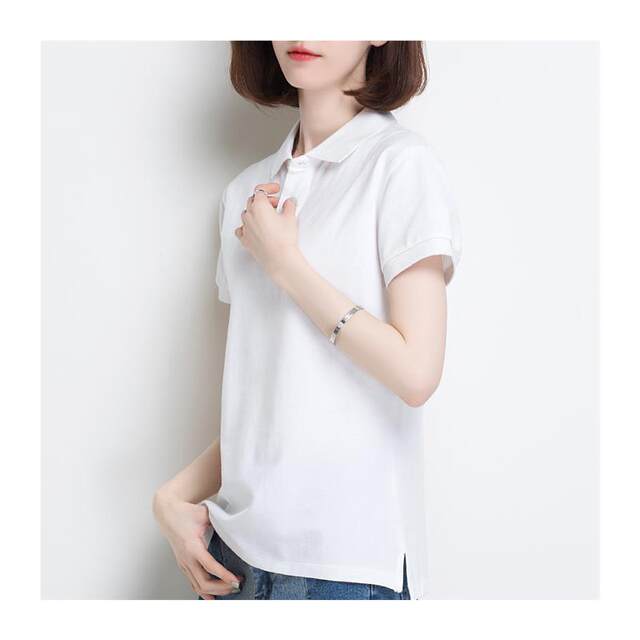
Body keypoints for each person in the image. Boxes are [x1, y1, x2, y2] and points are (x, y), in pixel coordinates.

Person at [153, 40, 462, 600]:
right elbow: (269, 400)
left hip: (347, 569)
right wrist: (171, 497)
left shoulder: (400, 165)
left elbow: (416, 374)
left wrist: (286, 266)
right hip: (232, 560)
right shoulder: (244, 191)